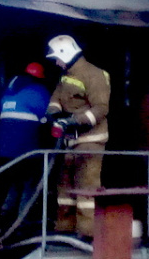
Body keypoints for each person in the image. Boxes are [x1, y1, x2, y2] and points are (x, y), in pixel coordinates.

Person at [44, 35, 110, 237]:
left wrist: (74, 120)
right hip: (69, 142)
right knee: (64, 188)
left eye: (57, 58)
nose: (56, 62)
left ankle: (87, 234)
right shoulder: (66, 75)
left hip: (90, 142)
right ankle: (64, 230)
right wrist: (54, 114)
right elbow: (56, 98)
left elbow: (101, 108)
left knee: (85, 188)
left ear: (67, 53)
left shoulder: (94, 75)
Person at [0, 62, 50, 232]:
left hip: (3, 150)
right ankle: (23, 221)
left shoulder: (9, 89)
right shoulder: (39, 91)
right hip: (26, 149)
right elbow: (48, 114)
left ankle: (3, 217)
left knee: (12, 182)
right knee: (29, 183)